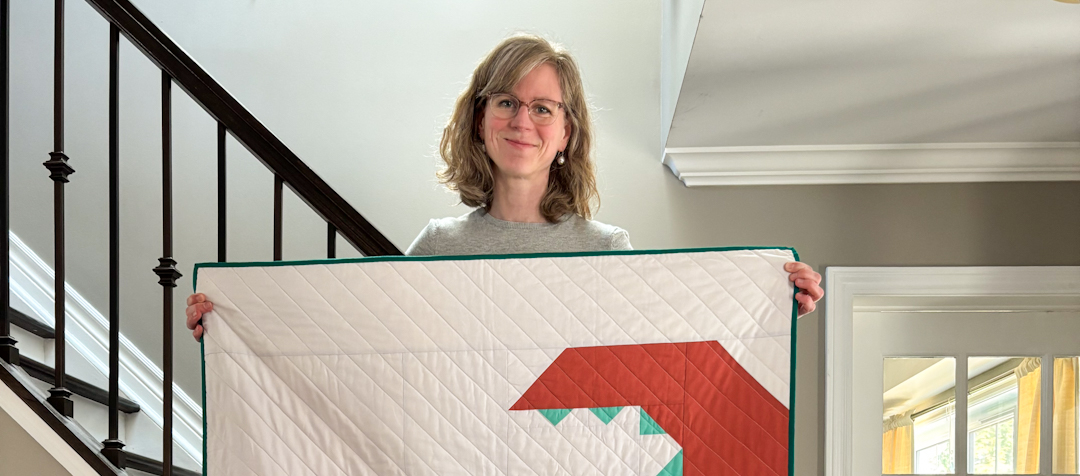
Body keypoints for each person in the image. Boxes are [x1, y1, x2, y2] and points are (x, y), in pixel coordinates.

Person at [186, 34, 822, 339]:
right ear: (480, 119)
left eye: (544, 108)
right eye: (507, 102)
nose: (524, 120)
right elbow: (365, 338)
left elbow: (659, 341)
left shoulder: (605, 248)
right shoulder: (437, 247)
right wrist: (239, 317)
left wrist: (767, 297)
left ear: (567, 133)